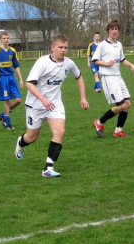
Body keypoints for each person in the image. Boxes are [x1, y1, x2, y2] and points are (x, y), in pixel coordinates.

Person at [14, 35, 89, 177]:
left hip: (55, 104)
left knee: (59, 132)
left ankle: (48, 168)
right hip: (35, 105)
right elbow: (29, 83)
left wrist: (83, 98)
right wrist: (43, 99)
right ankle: (21, 143)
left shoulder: (69, 63)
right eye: (60, 47)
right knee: (31, 138)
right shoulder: (42, 62)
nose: (63, 50)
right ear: (53, 47)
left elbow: (79, 77)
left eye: (66, 47)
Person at [91, 20, 134, 138]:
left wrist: (131, 65)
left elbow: (122, 60)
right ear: (108, 31)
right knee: (122, 105)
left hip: (118, 77)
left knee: (127, 104)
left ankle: (118, 131)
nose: (114, 31)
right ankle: (99, 122)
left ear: (118, 31)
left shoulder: (119, 44)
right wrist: (106, 64)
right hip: (108, 78)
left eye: (116, 29)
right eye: (111, 29)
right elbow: (94, 60)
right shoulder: (102, 45)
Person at [0, 31, 24, 130]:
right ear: (0, 39)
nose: (6, 40)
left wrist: (21, 79)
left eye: (7, 38)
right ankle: (7, 123)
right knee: (7, 100)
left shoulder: (12, 51)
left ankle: (3, 115)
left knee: (18, 100)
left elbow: (16, 66)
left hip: (11, 77)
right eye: (4, 38)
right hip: (2, 78)